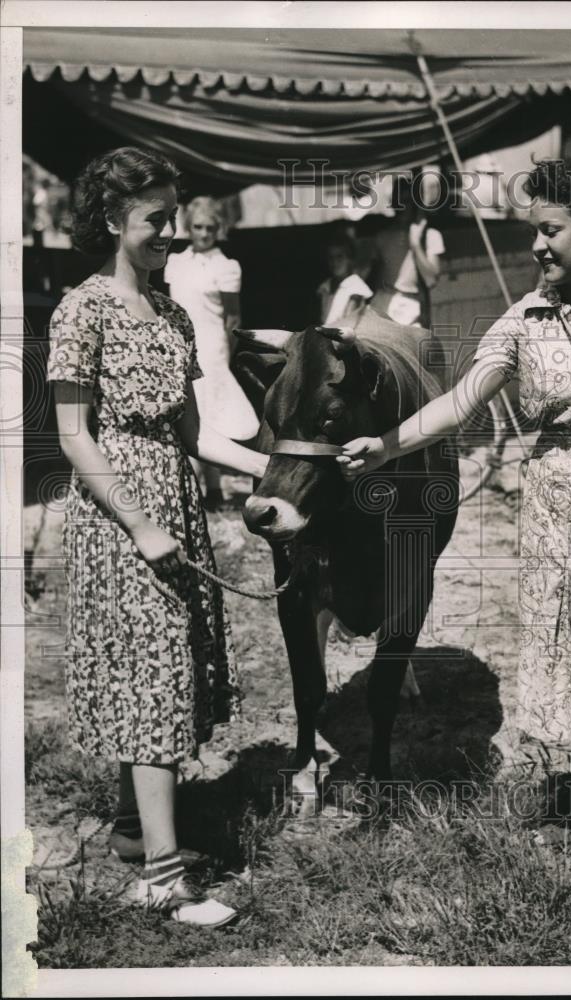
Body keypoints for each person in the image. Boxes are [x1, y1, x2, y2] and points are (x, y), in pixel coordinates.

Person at [339, 159, 571, 870]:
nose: (536, 245)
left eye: (549, 229)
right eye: (531, 230)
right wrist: (384, 446)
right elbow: (458, 403)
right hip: (556, 500)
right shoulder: (522, 320)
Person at [47, 147, 269, 926]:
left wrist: (274, 467)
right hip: (120, 517)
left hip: (175, 505)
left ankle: (136, 833)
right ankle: (164, 881)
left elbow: (196, 433)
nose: (168, 234)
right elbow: (74, 436)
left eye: (173, 219)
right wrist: (139, 524)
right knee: (148, 679)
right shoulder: (83, 308)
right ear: (111, 219)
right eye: (154, 220)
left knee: (167, 670)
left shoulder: (173, 314)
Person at [164, 196, 259, 510]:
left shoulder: (226, 266)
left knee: (209, 416)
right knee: (185, 413)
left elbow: (233, 317)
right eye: (197, 227)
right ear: (188, 228)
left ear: (219, 229)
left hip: (213, 347)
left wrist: (225, 357)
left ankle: (215, 489)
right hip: (180, 343)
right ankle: (193, 490)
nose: (203, 234)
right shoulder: (175, 262)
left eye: (209, 228)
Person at [367, 168, 445, 328]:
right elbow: (373, 278)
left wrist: (416, 244)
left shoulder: (430, 236)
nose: (404, 207)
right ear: (394, 204)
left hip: (412, 307)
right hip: (384, 303)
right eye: (400, 201)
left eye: (409, 201)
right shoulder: (382, 237)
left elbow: (431, 279)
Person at [317, 231, 373, 325]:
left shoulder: (355, 288)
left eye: (339, 257)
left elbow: (348, 325)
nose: (334, 262)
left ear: (350, 259)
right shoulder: (326, 286)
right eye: (331, 257)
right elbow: (321, 318)